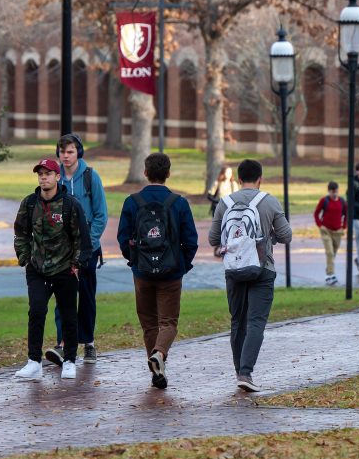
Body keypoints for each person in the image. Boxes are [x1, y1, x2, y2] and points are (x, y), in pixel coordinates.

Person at [208, 159, 292, 393]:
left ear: (238, 177)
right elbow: (286, 236)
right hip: (263, 268)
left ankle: (239, 372)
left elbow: (213, 239)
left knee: (237, 320)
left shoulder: (224, 203)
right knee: (256, 321)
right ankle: (246, 372)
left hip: (234, 270)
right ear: (260, 178)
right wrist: (269, 235)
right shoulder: (269, 201)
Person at [117, 153, 198, 389]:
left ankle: (156, 372)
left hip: (142, 272)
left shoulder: (132, 202)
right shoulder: (179, 203)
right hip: (171, 273)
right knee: (168, 323)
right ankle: (160, 354)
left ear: (145, 173)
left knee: (149, 324)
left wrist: (134, 260)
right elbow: (191, 240)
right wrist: (182, 265)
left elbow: (123, 237)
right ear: (168, 173)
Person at [13, 158, 88, 381]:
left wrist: (76, 264)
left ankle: (70, 360)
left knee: (68, 315)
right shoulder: (29, 203)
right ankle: (33, 361)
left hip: (65, 269)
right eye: (40, 174)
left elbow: (80, 238)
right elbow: (21, 233)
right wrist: (25, 258)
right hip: (37, 269)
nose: (43, 177)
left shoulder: (70, 205)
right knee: (36, 311)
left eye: (48, 174)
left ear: (57, 177)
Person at [46, 133, 108, 367]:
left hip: (88, 247)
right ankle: (62, 344)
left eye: (70, 151)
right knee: (63, 295)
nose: (66, 156)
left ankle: (89, 343)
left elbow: (101, 215)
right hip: (62, 249)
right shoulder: (56, 179)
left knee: (86, 296)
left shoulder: (91, 177)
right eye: (62, 152)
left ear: (78, 152)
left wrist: (88, 244)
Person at [313, 181, 347, 285]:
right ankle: (330, 275)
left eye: (336, 191)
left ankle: (328, 273)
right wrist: (320, 225)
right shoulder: (324, 201)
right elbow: (316, 214)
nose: (334, 194)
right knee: (330, 253)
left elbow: (347, 215)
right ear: (329, 191)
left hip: (337, 232)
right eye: (332, 192)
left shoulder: (342, 201)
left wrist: (344, 226)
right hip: (326, 231)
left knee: (333, 254)